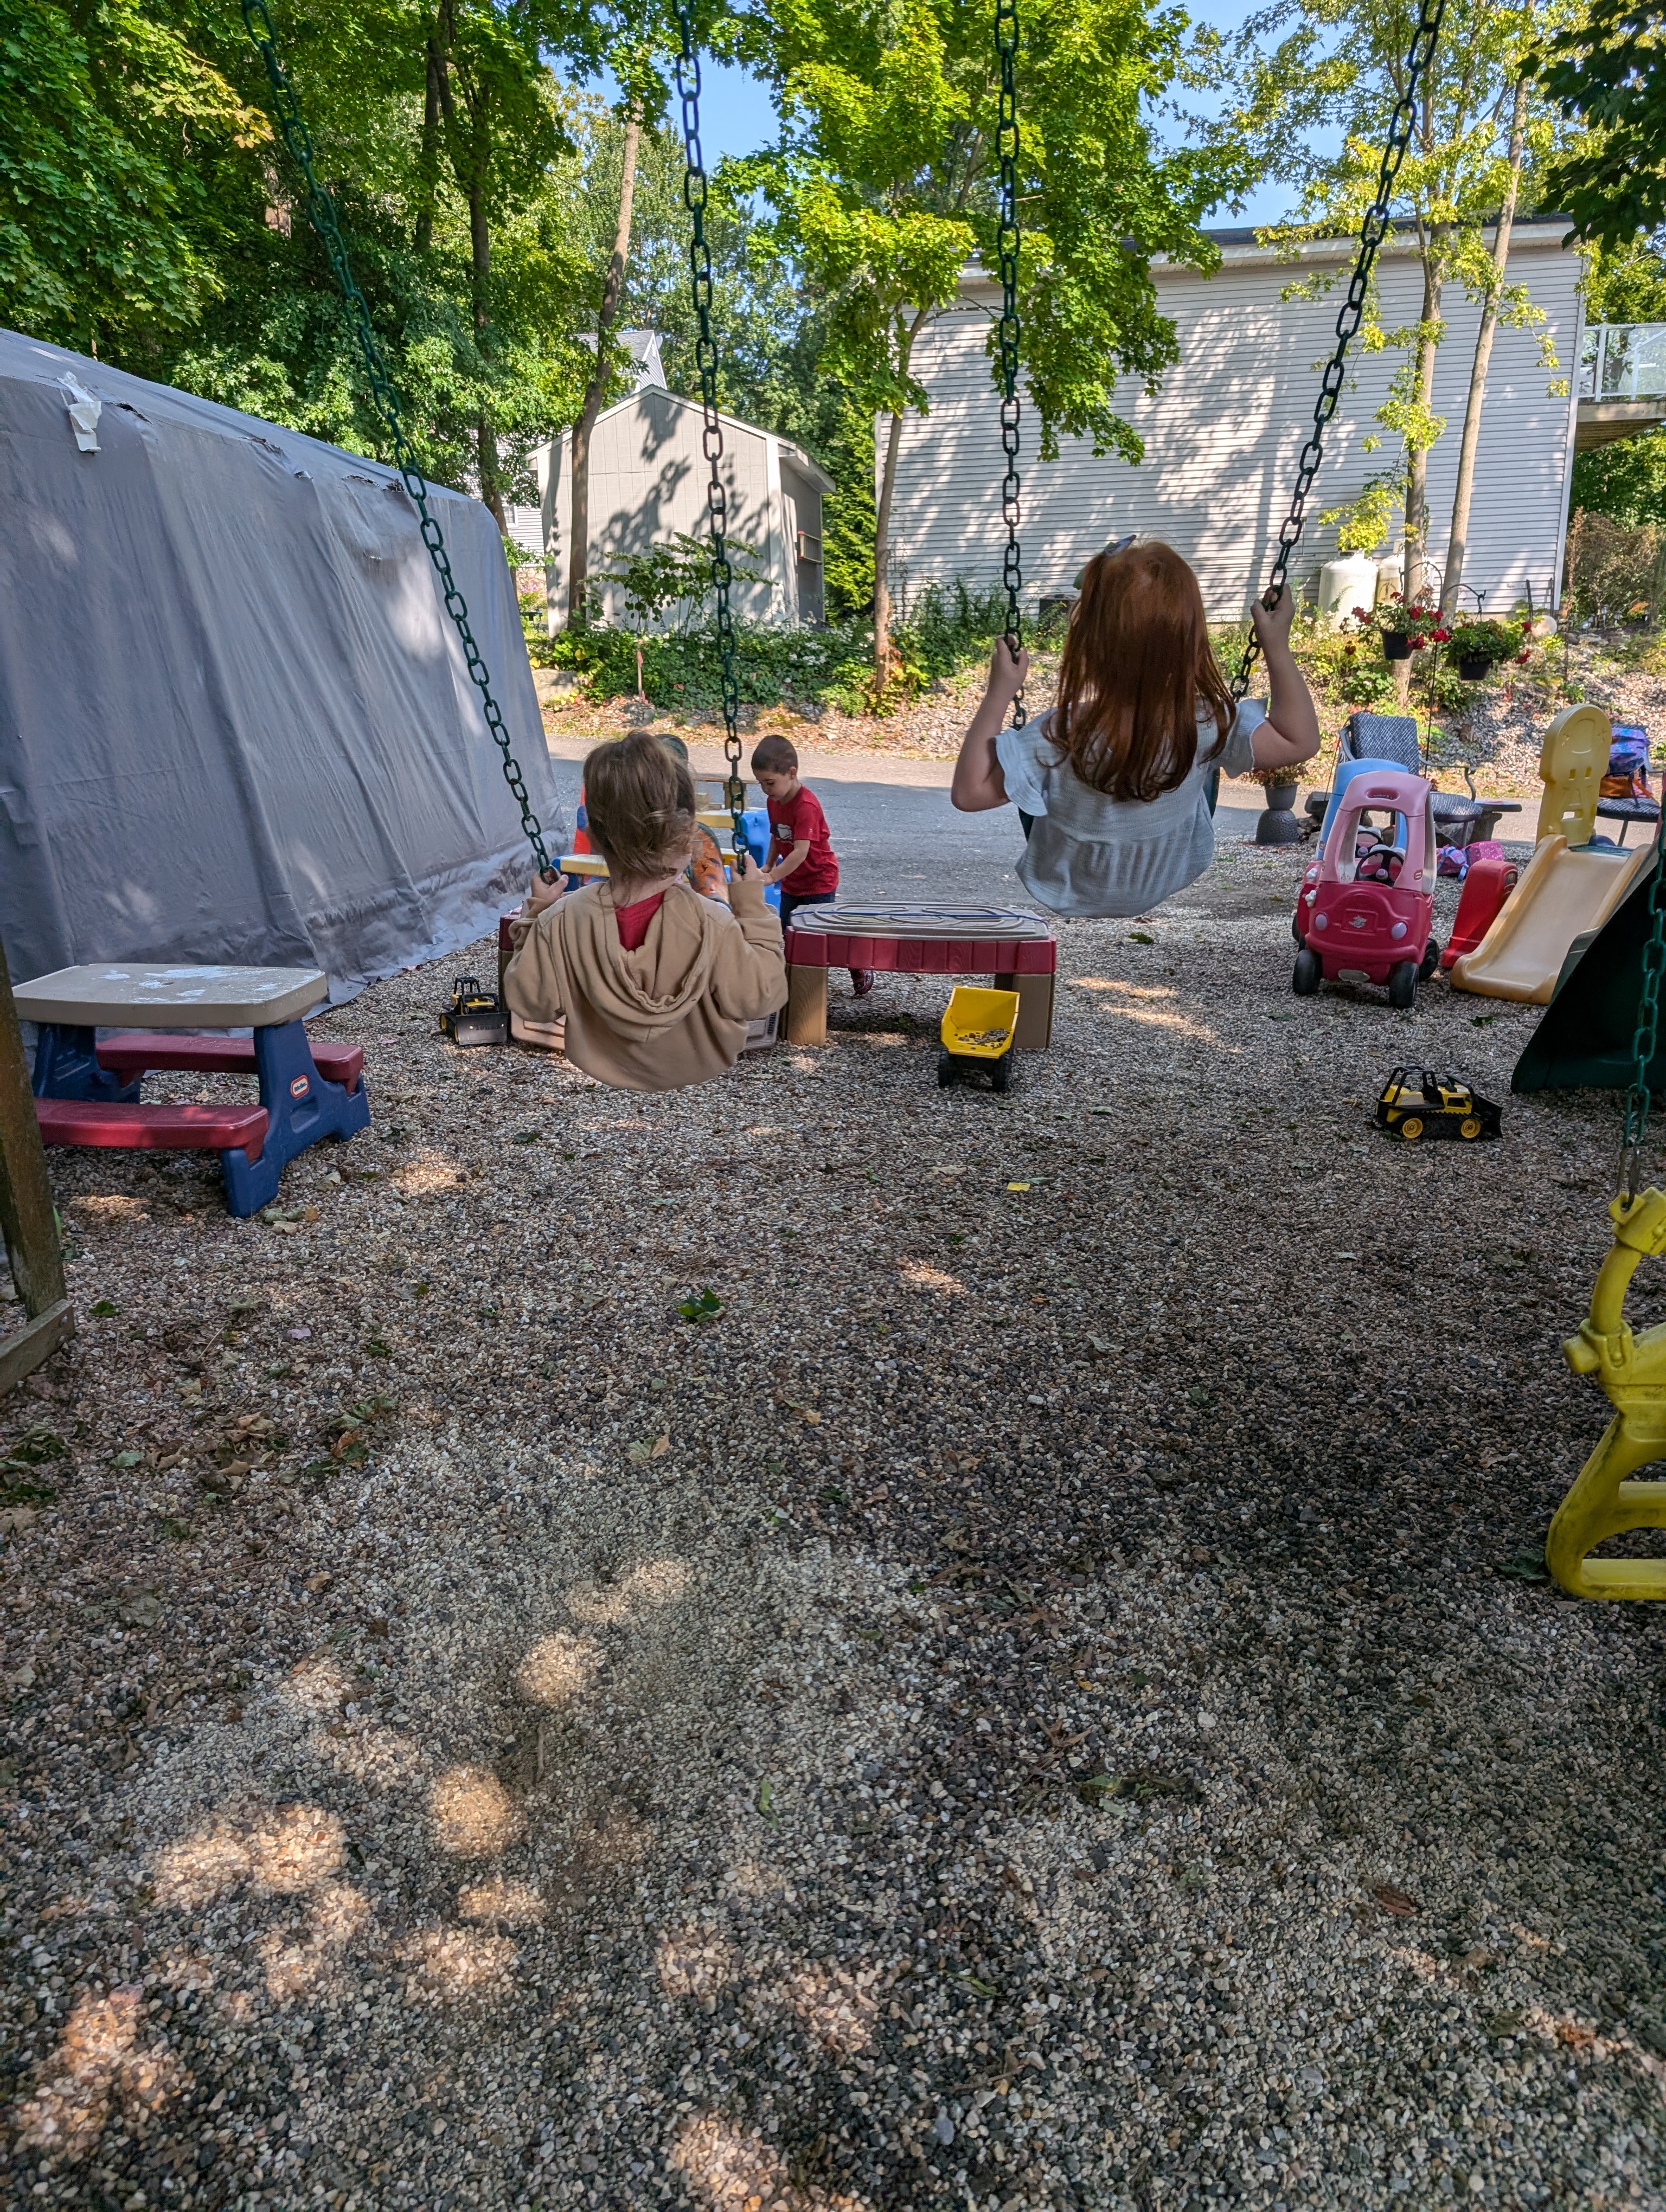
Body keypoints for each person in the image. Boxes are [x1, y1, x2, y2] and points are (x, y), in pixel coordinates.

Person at [949, 540, 1322, 916]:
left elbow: (969, 794)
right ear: (1192, 642)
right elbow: (1299, 741)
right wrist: (1276, 645)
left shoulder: (1057, 734)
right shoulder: (1207, 724)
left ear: (1087, 648)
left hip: (1067, 884)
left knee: (1031, 782)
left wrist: (998, 695)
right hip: (1163, 875)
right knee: (1206, 764)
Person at [502, 730, 786, 1091]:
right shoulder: (713, 923)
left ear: (592, 835)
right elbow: (759, 996)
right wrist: (751, 907)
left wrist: (539, 911)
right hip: (698, 1059)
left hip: (602, 1058)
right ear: (687, 834)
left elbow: (532, 1003)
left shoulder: (560, 921)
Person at [751, 734, 874, 997]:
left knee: (822, 934)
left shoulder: (806, 805)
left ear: (792, 773)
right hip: (794, 883)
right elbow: (778, 834)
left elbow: (800, 852)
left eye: (770, 782)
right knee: (787, 931)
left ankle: (857, 964)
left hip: (819, 879)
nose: (765, 789)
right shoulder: (774, 801)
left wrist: (773, 877)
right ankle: (793, 981)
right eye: (761, 783)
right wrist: (769, 863)